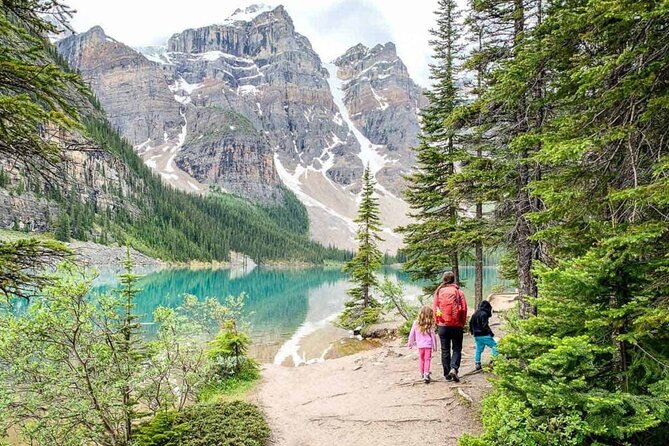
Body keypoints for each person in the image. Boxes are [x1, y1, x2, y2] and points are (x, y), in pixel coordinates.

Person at [433, 271, 467, 382]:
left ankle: (447, 374)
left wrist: (437, 322)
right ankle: (454, 368)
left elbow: (435, 309)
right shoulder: (458, 292)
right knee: (457, 348)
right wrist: (462, 323)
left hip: (442, 325)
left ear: (444, 279)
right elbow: (464, 309)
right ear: (453, 280)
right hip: (456, 325)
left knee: (445, 350)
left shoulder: (438, 292)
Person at [407, 306, 438, 383]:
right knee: (427, 359)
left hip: (420, 345)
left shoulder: (416, 323)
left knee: (421, 359)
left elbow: (412, 334)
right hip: (428, 345)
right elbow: (433, 336)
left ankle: (422, 373)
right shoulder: (430, 324)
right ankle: (426, 374)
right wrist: (434, 347)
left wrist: (410, 344)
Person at [469, 300, 498, 370]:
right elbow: (485, 326)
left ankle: (477, 363)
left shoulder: (475, 314)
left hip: (477, 336)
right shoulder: (484, 314)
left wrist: (472, 332)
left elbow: (470, 323)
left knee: (478, 349)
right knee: (495, 346)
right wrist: (490, 333)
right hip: (484, 335)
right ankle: (493, 361)